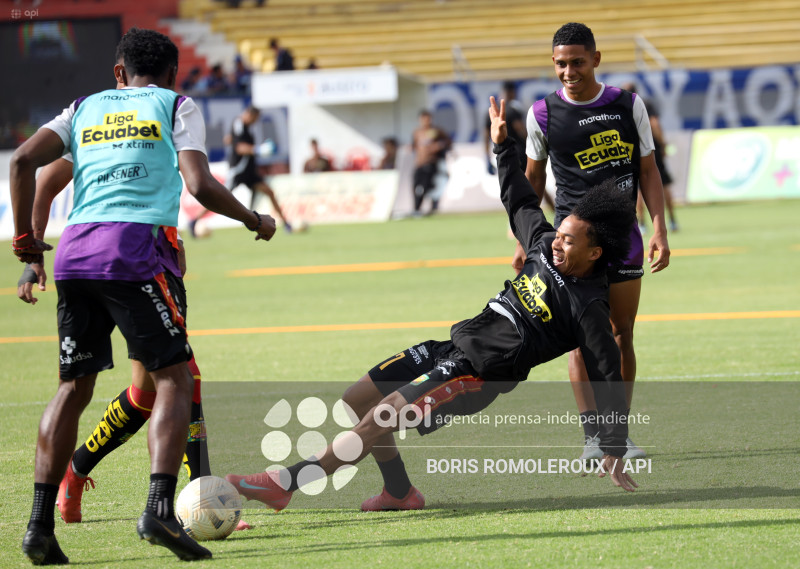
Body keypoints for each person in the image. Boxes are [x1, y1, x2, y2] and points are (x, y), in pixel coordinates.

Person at [224, 96, 638, 514]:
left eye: (570, 240)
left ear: (595, 254)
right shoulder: (545, 246)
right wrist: (502, 146)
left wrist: (614, 443)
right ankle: (400, 492)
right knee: (356, 399)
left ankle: (288, 483)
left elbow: (607, 371)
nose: (558, 242)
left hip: (475, 375)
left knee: (382, 415)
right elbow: (520, 202)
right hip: (453, 346)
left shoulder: (587, 307)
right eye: (560, 233)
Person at [10, 28, 276, 564]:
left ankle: (40, 524)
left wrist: (28, 251)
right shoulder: (174, 105)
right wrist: (253, 219)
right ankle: (161, 508)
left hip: (76, 257)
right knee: (177, 378)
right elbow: (199, 184)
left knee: (75, 389)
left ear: (117, 72)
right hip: (135, 254)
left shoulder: (85, 110)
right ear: (175, 73)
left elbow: (27, 168)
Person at [16, 156, 246, 532]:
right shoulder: (96, 119)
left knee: (147, 393)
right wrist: (32, 252)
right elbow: (44, 176)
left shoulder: (158, 119)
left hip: (154, 258)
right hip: (110, 260)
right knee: (184, 375)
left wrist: (176, 239)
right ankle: (201, 495)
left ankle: (76, 469)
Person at [518, 22, 670, 463]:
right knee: (581, 338)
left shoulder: (627, 104)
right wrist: (520, 236)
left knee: (622, 334)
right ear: (553, 63)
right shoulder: (542, 114)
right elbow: (530, 181)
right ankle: (591, 438)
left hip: (623, 236)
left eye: (578, 62)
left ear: (596, 60)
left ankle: (618, 435)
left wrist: (659, 227)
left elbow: (648, 171)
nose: (569, 71)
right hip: (571, 245)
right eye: (561, 64)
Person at [189, 105, 291, 235]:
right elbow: (239, 148)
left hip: (249, 171)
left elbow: (231, 139)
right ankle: (194, 220)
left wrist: (232, 139)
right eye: (255, 118)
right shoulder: (239, 123)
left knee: (269, 192)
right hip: (238, 170)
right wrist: (259, 149)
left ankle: (286, 223)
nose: (255, 121)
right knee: (219, 196)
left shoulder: (245, 127)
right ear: (250, 115)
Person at [484, 81, 555, 210]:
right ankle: (551, 213)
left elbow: (486, 136)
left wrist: (486, 157)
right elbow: (521, 130)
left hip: (504, 154)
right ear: (512, 92)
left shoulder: (491, 113)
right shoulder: (513, 110)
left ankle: (521, 219)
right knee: (536, 185)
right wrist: (537, 144)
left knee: (515, 189)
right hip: (521, 153)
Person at [621, 82, 680, 234]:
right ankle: (672, 220)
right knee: (663, 184)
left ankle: (642, 224)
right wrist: (662, 143)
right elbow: (654, 124)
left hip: (630, 150)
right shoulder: (644, 103)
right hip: (649, 148)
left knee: (638, 188)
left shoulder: (621, 107)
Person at [411, 109, 451, 216]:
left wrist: (439, 146)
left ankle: (431, 208)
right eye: (423, 119)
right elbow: (414, 146)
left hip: (431, 163)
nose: (425, 121)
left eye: (427, 119)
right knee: (415, 187)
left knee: (427, 186)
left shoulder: (436, 131)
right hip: (419, 164)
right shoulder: (417, 132)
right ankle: (416, 209)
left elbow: (447, 141)